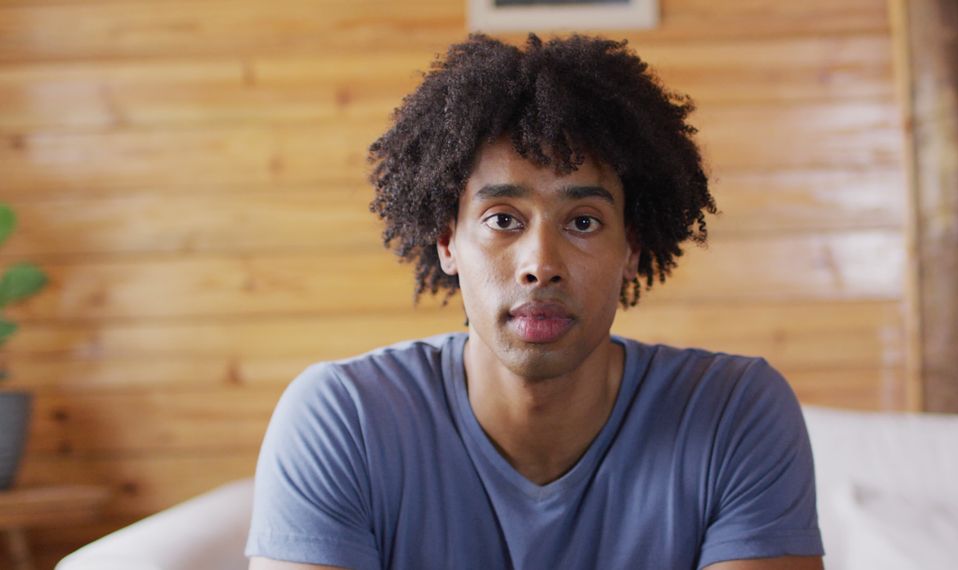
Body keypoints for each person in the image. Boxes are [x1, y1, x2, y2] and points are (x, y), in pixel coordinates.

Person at [246, 34, 824, 570]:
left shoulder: (735, 414)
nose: (540, 264)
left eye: (583, 221)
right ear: (448, 242)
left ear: (631, 248)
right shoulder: (343, 420)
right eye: (502, 219)